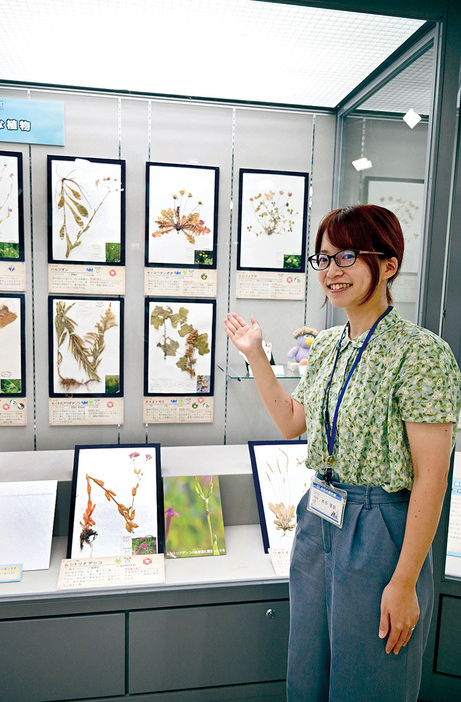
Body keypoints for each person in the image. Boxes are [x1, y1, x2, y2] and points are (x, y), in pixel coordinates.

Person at [224, 204, 461, 702]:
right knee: (308, 669)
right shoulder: (328, 346)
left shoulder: (422, 353)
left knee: (370, 679)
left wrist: (405, 583)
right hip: (320, 517)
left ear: (388, 265)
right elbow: (292, 422)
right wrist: (255, 354)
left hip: (382, 526)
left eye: (348, 256)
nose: (332, 271)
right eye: (324, 259)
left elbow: (432, 479)